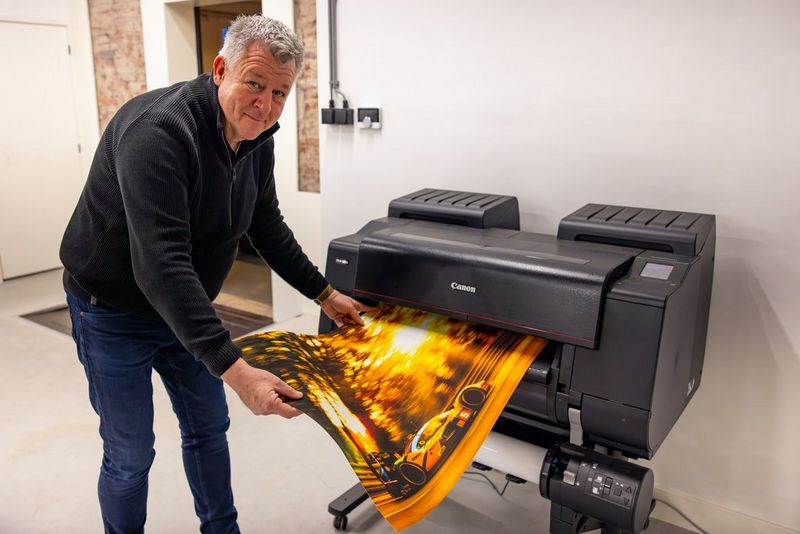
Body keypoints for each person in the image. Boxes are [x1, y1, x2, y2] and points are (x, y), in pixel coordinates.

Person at [60, 14, 366, 534]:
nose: (265, 105)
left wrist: (325, 293)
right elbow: (161, 264)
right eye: (254, 83)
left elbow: (265, 224)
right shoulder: (158, 132)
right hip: (110, 308)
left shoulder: (257, 138)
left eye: (279, 93)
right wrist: (237, 370)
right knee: (130, 452)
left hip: (185, 306)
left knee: (208, 428)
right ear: (221, 69)